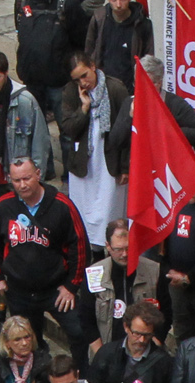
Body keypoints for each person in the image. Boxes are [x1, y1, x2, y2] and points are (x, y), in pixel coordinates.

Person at [0, 153, 94, 355]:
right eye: (16, 180)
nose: (22, 185)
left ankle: (80, 372)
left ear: (38, 174)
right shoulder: (3, 205)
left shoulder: (62, 205)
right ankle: (39, 373)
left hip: (56, 288)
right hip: (19, 290)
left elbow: (80, 246)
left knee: (79, 332)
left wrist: (72, 286)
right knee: (28, 343)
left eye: (26, 178)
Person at [55, 52, 129, 242]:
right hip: (84, 159)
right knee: (84, 209)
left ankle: (110, 245)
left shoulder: (115, 89)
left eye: (84, 75)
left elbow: (127, 130)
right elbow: (69, 128)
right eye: (77, 79)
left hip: (109, 159)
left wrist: (125, 167)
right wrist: (84, 109)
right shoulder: (71, 92)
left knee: (109, 208)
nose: (83, 82)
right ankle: (89, 247)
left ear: (93, 67)